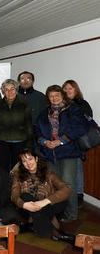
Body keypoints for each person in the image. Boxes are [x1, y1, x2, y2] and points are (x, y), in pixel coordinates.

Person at [35, 85, 87, 221]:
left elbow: (80, 128)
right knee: (54, 184)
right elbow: (37, 132)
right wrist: (45, 142)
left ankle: (71, 214)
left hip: (68, 153)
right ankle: (58, 212)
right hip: (50, 154)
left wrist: (60, 141)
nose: (54, 98)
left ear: (62, 96)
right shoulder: (43, 113)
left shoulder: (73, 109)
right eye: (51, 96)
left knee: (68, 183)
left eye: (57, 95)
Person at [11, 149, 74, 243]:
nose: (28, 163)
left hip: (46, 206)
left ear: (36, 159)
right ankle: (58, 234)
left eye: (30, 159)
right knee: (25, 196)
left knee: (63, 200)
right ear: (22, 163)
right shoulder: (18, 175)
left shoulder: (49, 174)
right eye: (24, 161)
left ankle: (33, 224)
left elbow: (67, 188)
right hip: (27, 209)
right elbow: (14, 196)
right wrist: (24, 205)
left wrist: (44, 202)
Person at [0, 79, 32, 171]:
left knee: (18, 168)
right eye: (6, 89)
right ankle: (5, 185)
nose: (9, 92)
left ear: (16, 89)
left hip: (20, 140)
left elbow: (29, 124)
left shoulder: (24, 103)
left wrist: (29, 144)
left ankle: (16, 185)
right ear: (3, 91)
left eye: (12, 89)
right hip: (2, 141)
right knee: (3, 168)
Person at [62, 80, 92, 207]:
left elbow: (87, 122)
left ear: (76, 90)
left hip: (77, 141)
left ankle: (79, 195)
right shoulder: (61, 104)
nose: (67, 91)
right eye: (65, 89)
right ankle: (66, 196)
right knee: (65, 171)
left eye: (70, 88)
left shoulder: (82, 104)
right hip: (64, 142)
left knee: (78, 170)